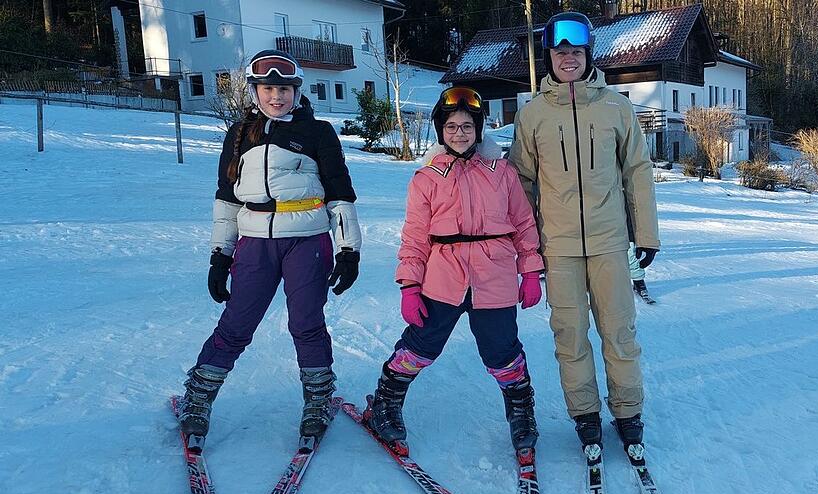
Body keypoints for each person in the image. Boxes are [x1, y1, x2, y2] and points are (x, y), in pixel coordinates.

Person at [176, 49, 362, 445]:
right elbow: (227, 199)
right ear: (255, 91)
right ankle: (199, 397)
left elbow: (340, 195)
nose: (276, 96)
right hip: (255, 242)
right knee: (236, 324)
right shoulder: (240, 133)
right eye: (267, 89)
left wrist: (348, 250)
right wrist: (219, 255)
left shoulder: (318, 132)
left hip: (307, 240)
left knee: (306, 324)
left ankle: (317, 400)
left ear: (296, 91)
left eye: (283, 88)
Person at [508, 12, 661, 453]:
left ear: (587, 54)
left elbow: (637, 172)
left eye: (576, 51)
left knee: (619, 332)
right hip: (558, 248)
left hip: (611, 241)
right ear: (550, 57)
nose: (568, 59)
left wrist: (645, 235)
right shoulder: (533, 114)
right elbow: (522, 184)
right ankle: (585, 414)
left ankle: (628, 412)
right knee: (569, 336)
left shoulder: (616, 107)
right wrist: (527, 247)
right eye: (560, 52)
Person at [363, 87, 545, 454]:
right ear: (439, 131)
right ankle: (385, 402)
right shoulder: (426, 179)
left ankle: (521, 410)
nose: (459, 133)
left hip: (494, 277)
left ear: (479, 129)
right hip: (443, 278)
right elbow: (415, 237)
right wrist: (410, 286)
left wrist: (530, 271)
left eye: (466, 125)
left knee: (502, 350)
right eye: (451, 127)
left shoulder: (502, 173)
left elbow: (524, 224)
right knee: (421, 345)